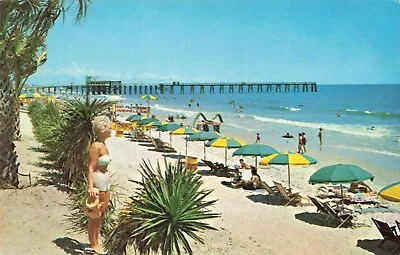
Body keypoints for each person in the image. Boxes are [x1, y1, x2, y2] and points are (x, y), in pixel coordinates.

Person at [86, 116, 112, 254]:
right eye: (109, 127)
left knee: (101, 213)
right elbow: (90, 168)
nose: (111, 130)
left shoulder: (103, 145)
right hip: (98, 183)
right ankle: (93, 243)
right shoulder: (96, 146)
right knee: (95, 214)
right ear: (102, 129)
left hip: (105, 182)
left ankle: (96, 241)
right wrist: (91, 187)